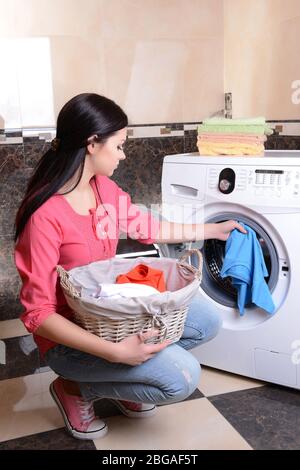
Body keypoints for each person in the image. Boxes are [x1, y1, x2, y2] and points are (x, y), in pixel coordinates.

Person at [14, 93, 246, 441]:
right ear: (92, 144)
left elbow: (149, 228)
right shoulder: (45, 217)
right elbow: (39, 315)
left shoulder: (102, 188)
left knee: (206, 320)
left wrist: (215, 230)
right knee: (181, 378)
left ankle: (124, 378)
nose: (123, 156)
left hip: (114, 316)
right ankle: (76, 388)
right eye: (119, 146)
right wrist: (117, 352)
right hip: (72, 338)